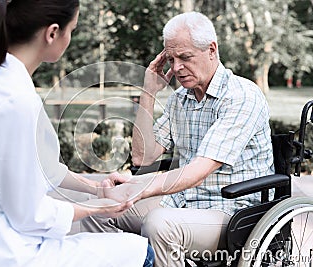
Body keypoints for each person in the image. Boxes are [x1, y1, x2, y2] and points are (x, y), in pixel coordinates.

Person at [0, 0, 155, 266]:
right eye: (72, 29)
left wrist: (97, 188)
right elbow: (29, 214)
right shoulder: (13, 99)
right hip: (3, 251)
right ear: (52, 33)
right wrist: (101, 207)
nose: (70, 38)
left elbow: (43, 167)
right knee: (141, 253)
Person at [81, 11, 274, 266]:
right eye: (171, 59)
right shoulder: (179, 99)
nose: (176, 68)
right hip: (184, 200)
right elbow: (143, 156)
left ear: (211, 50)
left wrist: (139, 188)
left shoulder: (242, 96)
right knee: (98, 210)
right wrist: (148, 91)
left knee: (159, 224)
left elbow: (197, 171)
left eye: (185, 57)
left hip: (234, 210)